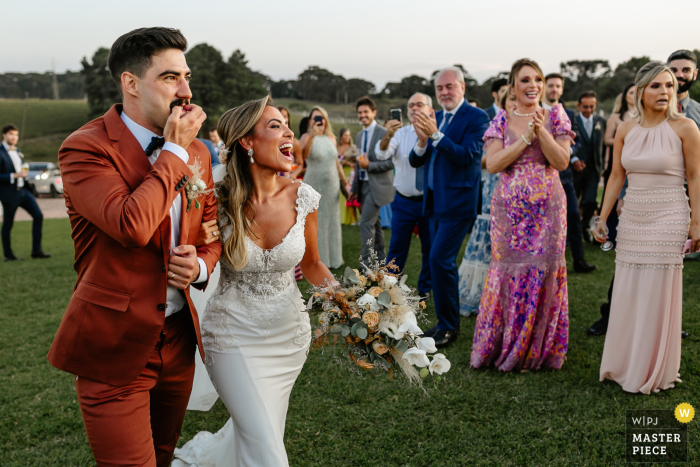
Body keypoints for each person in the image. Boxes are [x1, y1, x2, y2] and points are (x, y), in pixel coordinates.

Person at [46, 27, 222, 466]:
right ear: (130, 83)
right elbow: (131, 224)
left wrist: (199, 266)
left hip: (178, 341)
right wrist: (175, 154)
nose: (186, 91)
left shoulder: (198, 151)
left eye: (186, 76)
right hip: (114, 346)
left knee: (163, 457)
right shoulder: (85, 148)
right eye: (169, 78)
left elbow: (212, 232)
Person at [173, 97, 334, 466]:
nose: (289, 132)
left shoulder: (303, 197)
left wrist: (352, 301)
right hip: (231, 335)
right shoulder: (211, 196)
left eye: (287, 125)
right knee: (266, 448)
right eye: (275, 126)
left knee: (261, 432)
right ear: (246, 141)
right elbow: (193, 251)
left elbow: (312, 265)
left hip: (288, 338)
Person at [594, 61, 700, 394]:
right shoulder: (626, 129)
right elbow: (615, 176)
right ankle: (624, 363)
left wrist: (697, 220)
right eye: (656, 86)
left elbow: (696, 177)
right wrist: (602, 216)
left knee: (656, 289)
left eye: (669, 85)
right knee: (628, 287)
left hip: (670, 214)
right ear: (640, 91)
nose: (665, 91)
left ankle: (653, 368)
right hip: (633, 215)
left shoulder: (686, 128)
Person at [471, 59, 572, 371]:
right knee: (508, 271)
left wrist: (540, 131)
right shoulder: (501, 120)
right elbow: (493, 164)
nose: (533, 86)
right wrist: (525, 139)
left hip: (549, 212)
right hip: (510, 215)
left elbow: (562, 161)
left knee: (545, 270)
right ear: (512, 86)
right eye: (525, 80)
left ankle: (538, 348)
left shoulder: (556, 115)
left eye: (538, 79)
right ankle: (504, 344)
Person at [409, 67, 489, 348]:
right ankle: (445, 322)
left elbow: (468, 156)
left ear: (462, 87)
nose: (444, 92)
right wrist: (422, 142)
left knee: (439, 260)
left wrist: (436, 136)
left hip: (458, 202)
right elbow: (417, 160)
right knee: (438, 262)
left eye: (449, 87)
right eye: (440, 88)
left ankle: (448, 327)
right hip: (433, 201)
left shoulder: (477, 117)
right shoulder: (437, 117)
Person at [457, 91, 515, 316]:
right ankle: (480, 294)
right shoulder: (495, 126)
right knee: (487, 240)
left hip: (517, 192)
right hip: (493, 186)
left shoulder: (526, 127)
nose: (513, 104)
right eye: (509, 100)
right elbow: (480, 160)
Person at [376, 92, 433, 297]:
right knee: (397, 248)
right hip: (403, 201)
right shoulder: (400, 133)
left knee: (430, 248)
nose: (414, 108)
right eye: (411, 105)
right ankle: (389, 288)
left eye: (419, 104)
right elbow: (382, 153)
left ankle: (425, 288)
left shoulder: (437, 134)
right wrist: (388, 134)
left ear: (429, 110)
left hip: (430, 202)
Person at [542, 73, 596, 273]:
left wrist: (568, 155)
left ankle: (579, 260)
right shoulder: (535, 111)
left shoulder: (569, 114)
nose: (554, 89)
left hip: (564, 177)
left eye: (558, 86)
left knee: (573, 215)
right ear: (543, 87)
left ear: (562, 89)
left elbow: (577, 141)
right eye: (550, 85)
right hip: (539, 178)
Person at [301, 106, 347, 269]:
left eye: (321, 118)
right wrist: (312, 136)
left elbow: (336, 162)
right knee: (316, 221)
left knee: (332, 221)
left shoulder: (331, 138)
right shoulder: (306, 137)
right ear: (310, 121)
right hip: (314, 184)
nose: (319, 121)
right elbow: (303, 157)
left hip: (332, 185)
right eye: (315, 118)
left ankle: (334, 258)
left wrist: (344, 181)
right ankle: (316, 259)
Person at [348, 96, 393, 263]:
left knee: (366, 224)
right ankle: (381, 260)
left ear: (374, 113)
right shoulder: (359, 135)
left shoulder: (384, 133)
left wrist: (370, 166)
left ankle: (366, 266)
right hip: (363, 186)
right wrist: (353, 189)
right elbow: (359, 164)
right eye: (359, 112)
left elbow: (390, 163)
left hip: (378, 186)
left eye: (365, 111)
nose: (362, 115)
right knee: (376, 224)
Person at [0, 124, 50, 261]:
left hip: (23, 191)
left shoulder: (17, 151)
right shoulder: (0, 153)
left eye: (16, 135)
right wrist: (13, 176)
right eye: (11, 134)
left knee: (38, 215)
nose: (14, 137)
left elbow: (22, 168)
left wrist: (25, 173)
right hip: (9, 194)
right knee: (8, 224)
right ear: (4, 135)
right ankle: (8, 255)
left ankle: (36, 250)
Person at [573, 91, 606, 241]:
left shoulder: (601, 121)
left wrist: (602, 165)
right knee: (573, 202)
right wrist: (573, 159)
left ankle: (584, 226)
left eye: (591, 106)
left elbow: (603, 146)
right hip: (575, 169)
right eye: (585, 106)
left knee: (591, 201)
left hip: (594, 170)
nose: (588, 110)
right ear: (579, 106)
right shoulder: (571, 120)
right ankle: (571, 232)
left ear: (595, 105)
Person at [336, 128, 358, 225]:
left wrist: (347, 162)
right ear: (341, 137)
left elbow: (356, 160)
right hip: (338, 172)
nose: (347, 137)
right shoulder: (336, 147)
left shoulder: (353, 148)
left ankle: (352, 219)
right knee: (340, 195)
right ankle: (340, 218)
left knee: (349, 194)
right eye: (345, 135)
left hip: (349, 173)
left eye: (349, 135)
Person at [277, 106, 304, 179]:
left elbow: (300, 164)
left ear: (288, 120)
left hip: (288, 180)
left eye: (285, 116)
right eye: (279, 115)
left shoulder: (295, 143)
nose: (282, 118)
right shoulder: (270, 141)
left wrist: (294, 174)